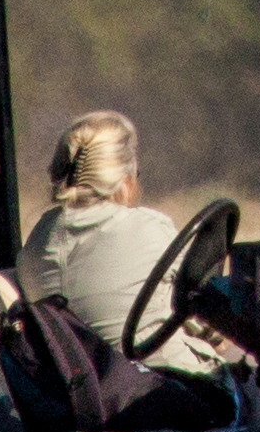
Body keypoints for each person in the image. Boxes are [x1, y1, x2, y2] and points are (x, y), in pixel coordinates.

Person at [18, 109, 198, 367]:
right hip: (167, 381)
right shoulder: (151, 228)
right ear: (125, 182)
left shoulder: (36, 243)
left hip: (84, 385)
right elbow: (200, 305)